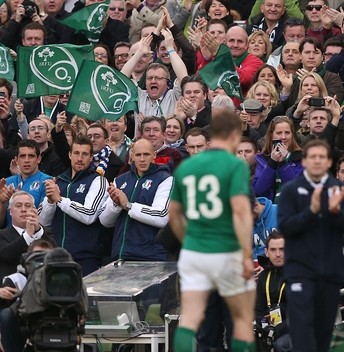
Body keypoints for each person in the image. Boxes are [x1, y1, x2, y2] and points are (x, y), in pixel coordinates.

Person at [169, 111, 256, 352]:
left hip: (194, 252)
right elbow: (240, 212)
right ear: (234, 134)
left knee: (191, 320)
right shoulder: (234, 165)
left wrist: (188, 239)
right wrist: (247, 254)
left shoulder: (187, 167)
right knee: (240, 320)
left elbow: (173, 214)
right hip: (226, 250)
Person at [276, 140, 344, 352]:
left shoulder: (338, 190)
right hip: (300, 272)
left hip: (330, 273)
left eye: (322, 157)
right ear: (304, 161)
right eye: (312, 157)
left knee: (323, 335)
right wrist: (311, 211)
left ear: (329, 161)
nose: (317, 161)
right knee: (302, 332)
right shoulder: (291, 190)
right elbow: (286, 226)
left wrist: (335, 211)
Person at [38, 136, 108, 275]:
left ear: (91, 157)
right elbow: (43, 222)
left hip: (85, 257)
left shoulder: (98, 181)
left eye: (85, 154)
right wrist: (50, 202)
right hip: (56, 256)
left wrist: (60, 199)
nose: (80, 158)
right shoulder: (58, 181)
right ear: (70, 155)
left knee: (85, 297)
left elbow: (89, 215)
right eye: (76, 153)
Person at [100, 139, 173, 262]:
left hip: (151, 257)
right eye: (138, 155)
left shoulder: (165, 179)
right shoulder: (120, 180)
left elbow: (162, 216)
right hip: (122, 254)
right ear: (132, 156)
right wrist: (116, 205)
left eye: (146, 154)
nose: (142, 159)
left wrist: (128, 206)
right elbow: (105, 221)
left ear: (154, 155)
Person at [0, 191, 56, 289]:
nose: (23, 209)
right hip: (12, 294)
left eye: (28, 206)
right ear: (10, 211)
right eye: (18, 205)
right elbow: (6, 255)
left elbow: (56, 254)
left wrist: (37, 231)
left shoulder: (46, 233)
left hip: (44, 291)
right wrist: (28, 235)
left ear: (34, 210)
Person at [254, 231, 290, 352]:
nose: (278, 254)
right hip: (270, 329)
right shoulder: (263, 277)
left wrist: (276, 331)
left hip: (296, 329)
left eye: (282, 249)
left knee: (280, 345)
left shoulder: (297, 275)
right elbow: (258, 310)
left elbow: (298, 315)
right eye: (273, 250)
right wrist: (264, 323)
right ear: (266, 252)